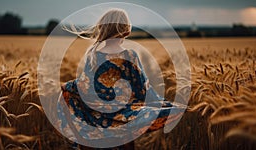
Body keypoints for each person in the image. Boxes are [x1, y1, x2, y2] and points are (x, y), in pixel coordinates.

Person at [57, 8, 185, 150]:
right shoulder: (130, 55)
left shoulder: (93, 55)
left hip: (98, 116)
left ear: (102, 29)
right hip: (123, 116)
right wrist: (163, 104)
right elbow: (142, 88)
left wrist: (68, 87)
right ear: (126, 31)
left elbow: (85, 87)